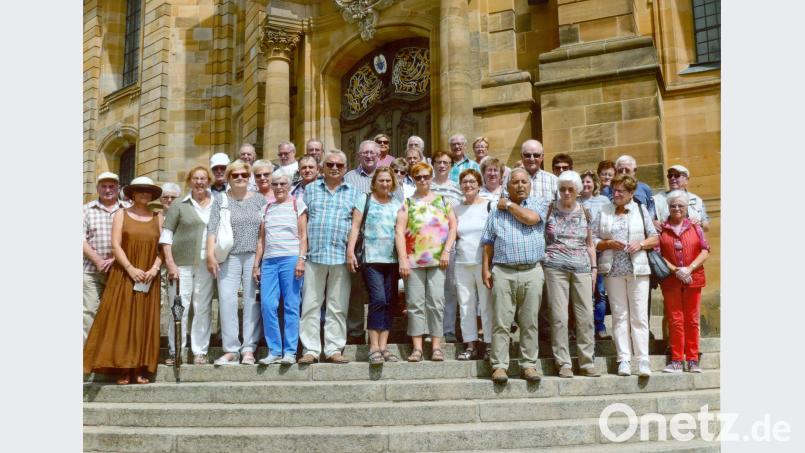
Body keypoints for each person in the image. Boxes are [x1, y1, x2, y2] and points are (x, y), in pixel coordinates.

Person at [84, 176, 164, 385]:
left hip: (148, 276)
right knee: (122, 321)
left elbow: (163, 247)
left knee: (143, 321)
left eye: (148, 191)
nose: (144, 194)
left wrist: (154, 269)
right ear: (132, 194)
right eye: (140, 190)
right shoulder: (121, 214)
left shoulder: (159, 217)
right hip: (125, 274)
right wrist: (130, 268)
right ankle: (123, 367)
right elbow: (116, 245)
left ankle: (139, 367)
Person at [481, 168, 550, 384]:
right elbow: (488, 243)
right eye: (515, 182)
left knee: (529, 322)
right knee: (501, 321)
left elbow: (530, 219)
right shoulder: (495, 212)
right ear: (507, 186)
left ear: (530, 185)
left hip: (532, 270)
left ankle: (528, 365)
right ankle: (500, 366)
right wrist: (485, 268)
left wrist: (509, 205)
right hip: (503, 270)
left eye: (524, 182)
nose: (520, 186)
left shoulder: (538, 204)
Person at [593, 174, 658, 377]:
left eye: (622, 191)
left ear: (631, 193)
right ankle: (623, 359)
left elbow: (655, 237)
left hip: (638, 270)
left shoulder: (640, 209)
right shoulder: (605, 210)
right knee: (620, 316)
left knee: (639, 316)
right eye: (615, 190)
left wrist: (641, 244)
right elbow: (593, 239)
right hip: (612, 270)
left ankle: (643, 360)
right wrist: (607, 243)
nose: (617, 194)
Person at [298, 150, 358, 364]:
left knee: (337, 306)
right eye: (330, 164)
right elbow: (302, 224)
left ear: (345, 168)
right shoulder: (310, 190)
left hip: (340, 256)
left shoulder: (353, 192)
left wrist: (351, 251)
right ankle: (311, 350)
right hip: (314, 255)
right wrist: (301, 254)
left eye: (339, 165)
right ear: (322, 167)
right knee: (310, 305)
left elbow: (355, 227)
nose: (334, 168)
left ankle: (333, 348)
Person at [206, 160, 267, 366]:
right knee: (226, 300)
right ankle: (231, 349)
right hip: (228, 256)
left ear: (249, 177)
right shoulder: (221, 199)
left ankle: (249, 348)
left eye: (244, 175)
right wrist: (210, 255)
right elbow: (212, 228)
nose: (240, 178)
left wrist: (260, 259)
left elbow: (263, 232)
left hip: (253, 255)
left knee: (251, 301)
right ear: (229, 178)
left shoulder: (259, 200)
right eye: (235, 175)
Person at [395, 162, 457, 362]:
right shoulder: (407, 203)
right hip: (413, 261)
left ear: (431, 178)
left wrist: (447, 250)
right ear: (413, 179)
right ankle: (417, 348)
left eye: (425, 176)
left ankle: (437, 347)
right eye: (418, 177)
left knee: (436, 303)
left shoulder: (443, 201)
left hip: (439, 260)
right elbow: (399, 231)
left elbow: (454, 226)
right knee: (415, 304)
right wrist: (403, 258)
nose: (422, 180)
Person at [544, 171, 601, 378]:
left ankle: (586, 361)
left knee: (585, 316)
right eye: (562, 189)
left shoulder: (585, 211)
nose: (566, 193)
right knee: (559, 317)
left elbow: (590, 243)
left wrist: (594, 269)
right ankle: (563, 363)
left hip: (582, 268)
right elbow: (543, 238)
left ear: (577, 190)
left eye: (570, 189)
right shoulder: (550, 209)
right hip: (555, 267)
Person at [160, 166, 215, 365]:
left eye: (203, 178)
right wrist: (170, 263)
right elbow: (166, 236)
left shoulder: (216, 204)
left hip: (206, 264)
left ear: (208, 181)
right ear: (189, 181)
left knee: (202, 307)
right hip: (180, 264)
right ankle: (175, 351)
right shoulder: (179, 205)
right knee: (178, 307)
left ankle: (200, 351)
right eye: (195, 179)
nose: (199, 182)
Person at [346, 167, 402, 364]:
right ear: (374, 182)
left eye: (388, 181)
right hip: (371, 258)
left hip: (392, 259)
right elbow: (355, 227)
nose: (385, 184)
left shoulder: (397, 203)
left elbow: (401, 232)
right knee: (378, 299)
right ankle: (373, 346)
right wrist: (350, 252)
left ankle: (384, 347)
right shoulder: (365, 199)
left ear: (392, 183)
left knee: (389, 302)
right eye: (381, 180)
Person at [253, 170, 308, 365]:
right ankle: (275, 350)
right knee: (268, 305)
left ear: (289, 185)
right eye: (275, 184)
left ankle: (290, 352)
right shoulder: (266, 208)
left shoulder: (297, 205)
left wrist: (301, 259)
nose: (278, 187)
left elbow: (303, 236)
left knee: (291, 305)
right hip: (269, 261)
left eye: (282, 184)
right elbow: (261, 239)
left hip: (291, 259)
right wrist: (256, 265)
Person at [658, 190, 710, 373]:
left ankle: (693, 359)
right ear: (668, 207)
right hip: (671, 281)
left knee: (692, 320)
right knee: (675, 319)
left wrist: (689, 268)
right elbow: (658, 254)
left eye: (681, 205)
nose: (677, 208)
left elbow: (705, 250)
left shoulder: (696, 227)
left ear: (687, 207)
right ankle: (677, 360)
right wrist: (676, 270)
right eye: (673, 205)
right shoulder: (662, 229)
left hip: (693, 278)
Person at [83, 172, 127, 343]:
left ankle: (109, 352)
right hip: (91, 270)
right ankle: (87, 354)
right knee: (89, 311)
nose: (108, 190)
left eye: (112, 186)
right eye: (104, 186)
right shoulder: (86, 209)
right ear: (97, 188)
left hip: (120, 269)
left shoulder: (127, 208)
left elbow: (131, 238)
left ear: (118, 188)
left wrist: (116, 259)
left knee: (117, 311)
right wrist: (98, 260)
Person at [453, 169, 492, 360]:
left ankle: (490, 344)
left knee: (486, 304)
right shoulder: (456, 209)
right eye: (464, 182)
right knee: (466, 305)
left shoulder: (488, 206)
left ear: (479, 184)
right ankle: (470, 344)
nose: (468, 185)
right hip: (461, 262)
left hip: (483, 263)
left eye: (472, 182)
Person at [429, 149, 462, 342]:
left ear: (451, 166)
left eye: (446, 163)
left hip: (451, 244)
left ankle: (448, 329)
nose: (442, 166)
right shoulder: (427, 187)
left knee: (450, 288)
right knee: (431, 290)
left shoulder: (457, 188)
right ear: (433, 164)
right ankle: (432, 330)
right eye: (439, 162)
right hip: (428, 246)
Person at [579, 170, 612, 341]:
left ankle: (600, 326)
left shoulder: (604, 201)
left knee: (599, 290)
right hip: (579, 251)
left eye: (589, 182)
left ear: (594, 184)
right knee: (583, 291)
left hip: (599, 250)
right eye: (583, 181)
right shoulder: (575, 201)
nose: (586, 185)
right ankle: (585, 327)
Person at [654, 165, 710, 232]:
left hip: (692, 239)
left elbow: (707, 226)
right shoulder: (657, 199)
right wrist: (653, 222)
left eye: (676, 175)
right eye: (670, 176)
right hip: (668, 239)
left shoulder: (697, 200)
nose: (672, 178)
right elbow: (647, 221)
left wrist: (700, 224)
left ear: (686, 179)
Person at [612, 155, 656, 219]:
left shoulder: (645, 188)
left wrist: (652, 221)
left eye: (627, 170)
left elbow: (651, 208)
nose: (623, 173)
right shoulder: (608, 189)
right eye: (620, 170)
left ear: (634, 171)